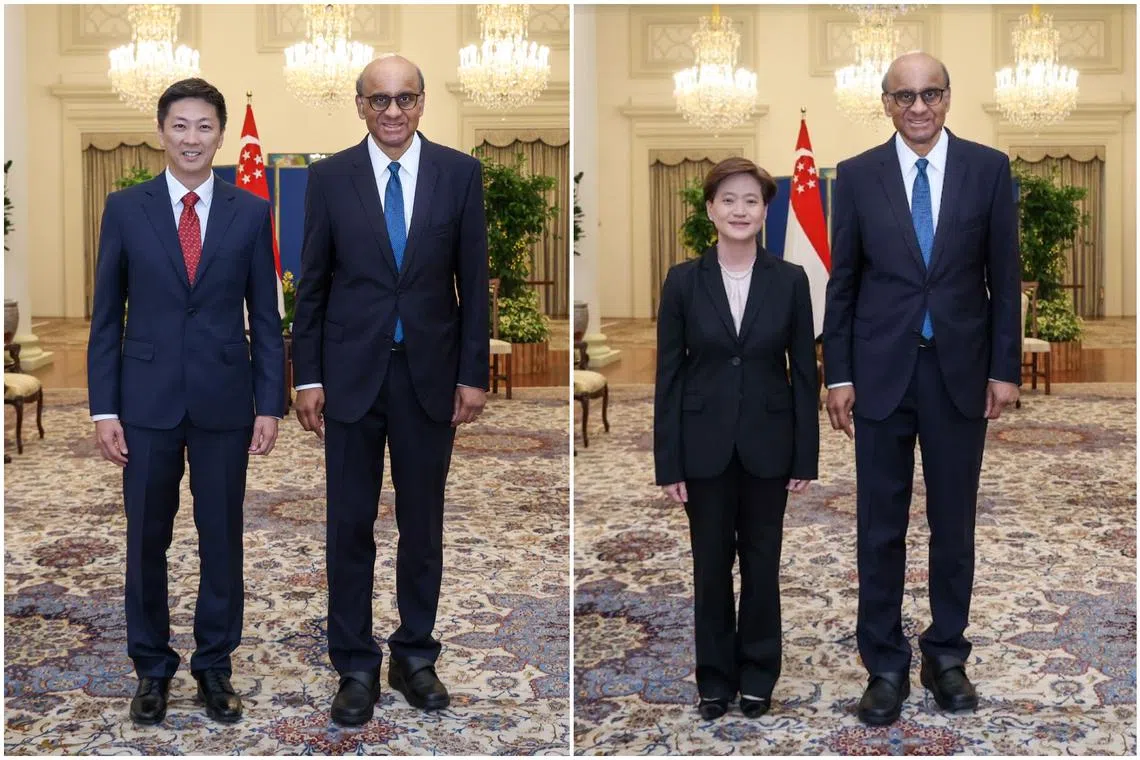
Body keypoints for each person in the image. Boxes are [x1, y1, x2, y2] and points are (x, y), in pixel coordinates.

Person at [822, 52, 1020, 726]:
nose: (918, 107)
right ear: (885, 103)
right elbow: (843, 281)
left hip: (959, 374)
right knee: (880, 527)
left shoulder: (989, 170)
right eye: (903, 95)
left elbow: (1003, 278)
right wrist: (838, 373)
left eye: (930, 93)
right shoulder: (854, 177)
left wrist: (1004, 368)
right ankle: (883, 663)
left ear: (948, 96)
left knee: (953, 525)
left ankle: (946, 655)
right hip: (879, 374)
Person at [291, 54, 489, 726]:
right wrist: (307, 375)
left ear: (424, 101)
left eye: (406, 97)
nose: (394, 111)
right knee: (349, 525)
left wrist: (472, 372)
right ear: (360, 106)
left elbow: (473, 283)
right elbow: (311, 285)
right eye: (380, 100)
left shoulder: (460, 174)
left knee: (422, 526)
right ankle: (353, 664)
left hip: (429, 378)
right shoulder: (329, 178)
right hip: (348, 379)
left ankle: (414, 654)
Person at [87, 78, 284, 725]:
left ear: (220, 135)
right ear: (161, 129)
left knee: (220, 539)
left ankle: (214, 667)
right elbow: (105, 318)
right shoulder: (125, 208)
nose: (191, 138)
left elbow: (266, 314)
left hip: (225, 404)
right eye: (180, 125)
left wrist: (268, 402)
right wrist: (103, 408)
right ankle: (150, 667)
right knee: (147, 539)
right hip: (144, 406)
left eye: (204, 126)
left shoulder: (250, 212)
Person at [654, 157, 819, 721]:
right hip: (702, 447)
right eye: (729, 200)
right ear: (710, 210)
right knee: (710, 566)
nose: (740, 210)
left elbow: (804, 373)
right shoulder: (682, 280)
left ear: (765, 211)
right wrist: (668, 461)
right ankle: (714, 680)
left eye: (751, 200)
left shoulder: (791, 280)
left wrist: (806, 453)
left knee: (762, 563)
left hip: (770, 445)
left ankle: (758, 674)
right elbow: (668, 376)